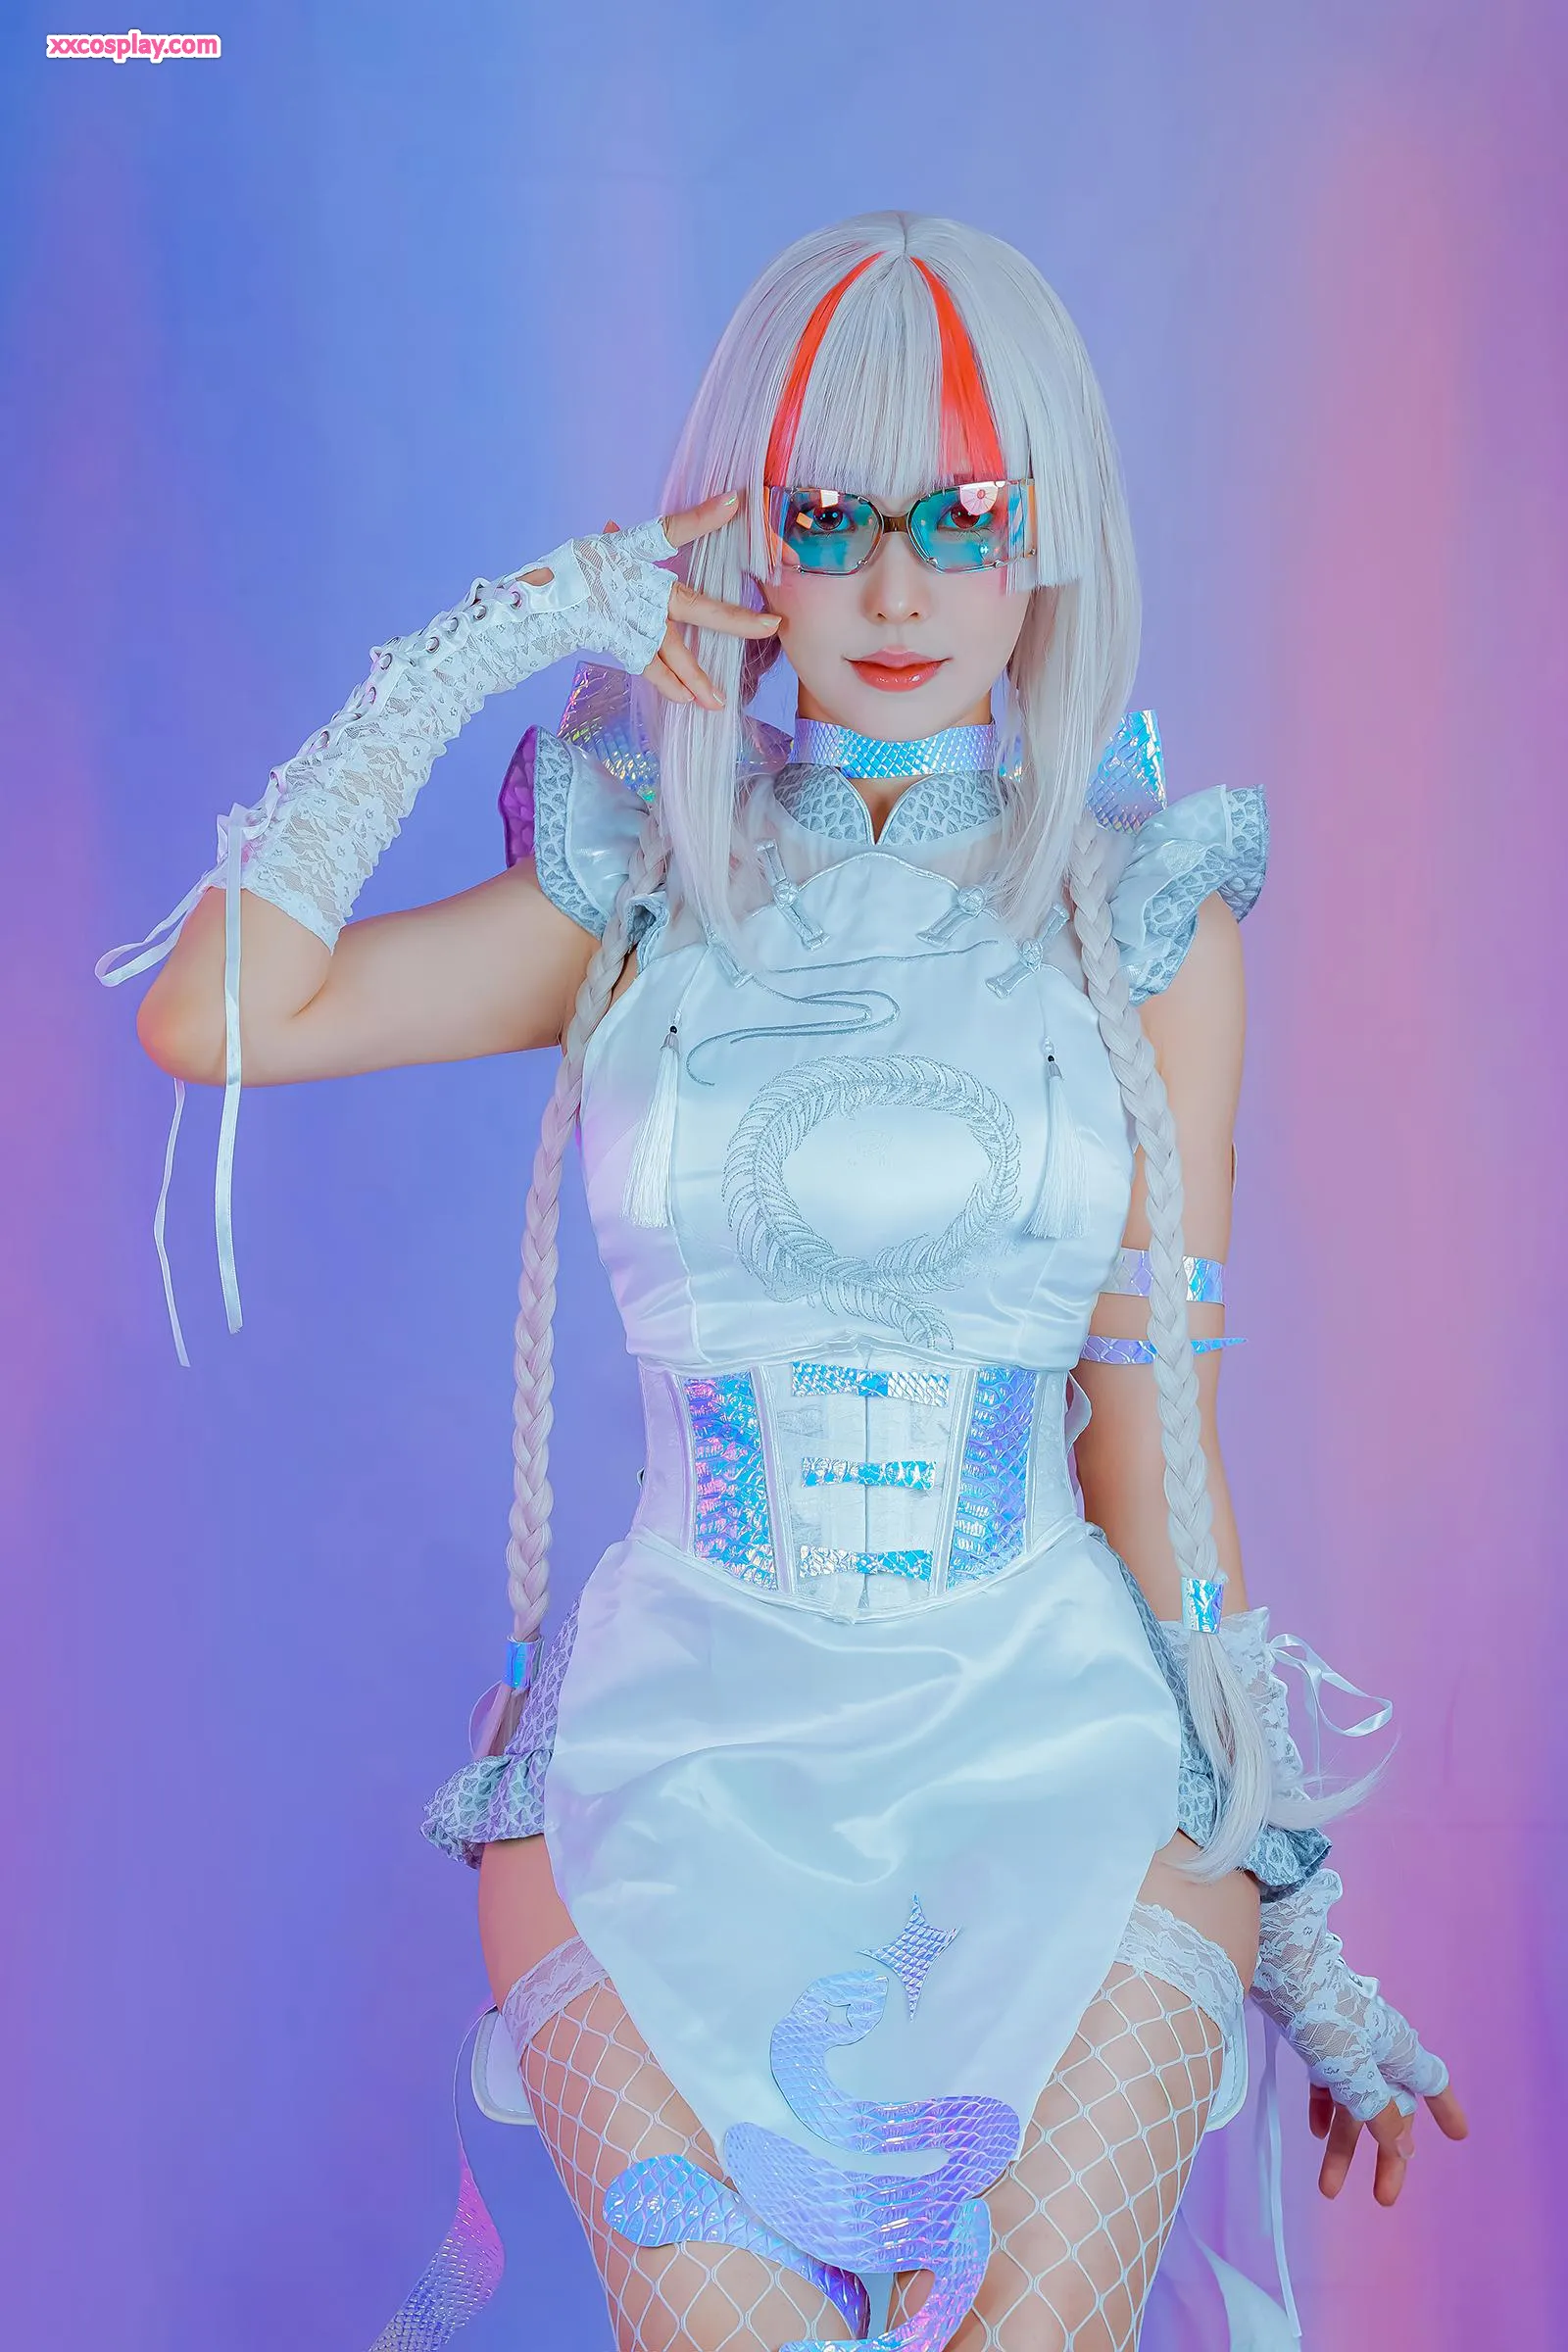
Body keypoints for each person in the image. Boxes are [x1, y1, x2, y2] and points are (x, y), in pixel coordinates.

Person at [107, 212, 1465, 2351]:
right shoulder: (640, 886)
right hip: (664, 1763)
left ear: (1048, 532)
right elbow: (214, 1016)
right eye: (830, 521)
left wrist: (1295, 1928)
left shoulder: (1141, 918)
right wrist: (493, 635)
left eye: (963, 514)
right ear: (740, 539)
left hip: (1071, 1758)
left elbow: (1160, 1468)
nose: (898, 590)